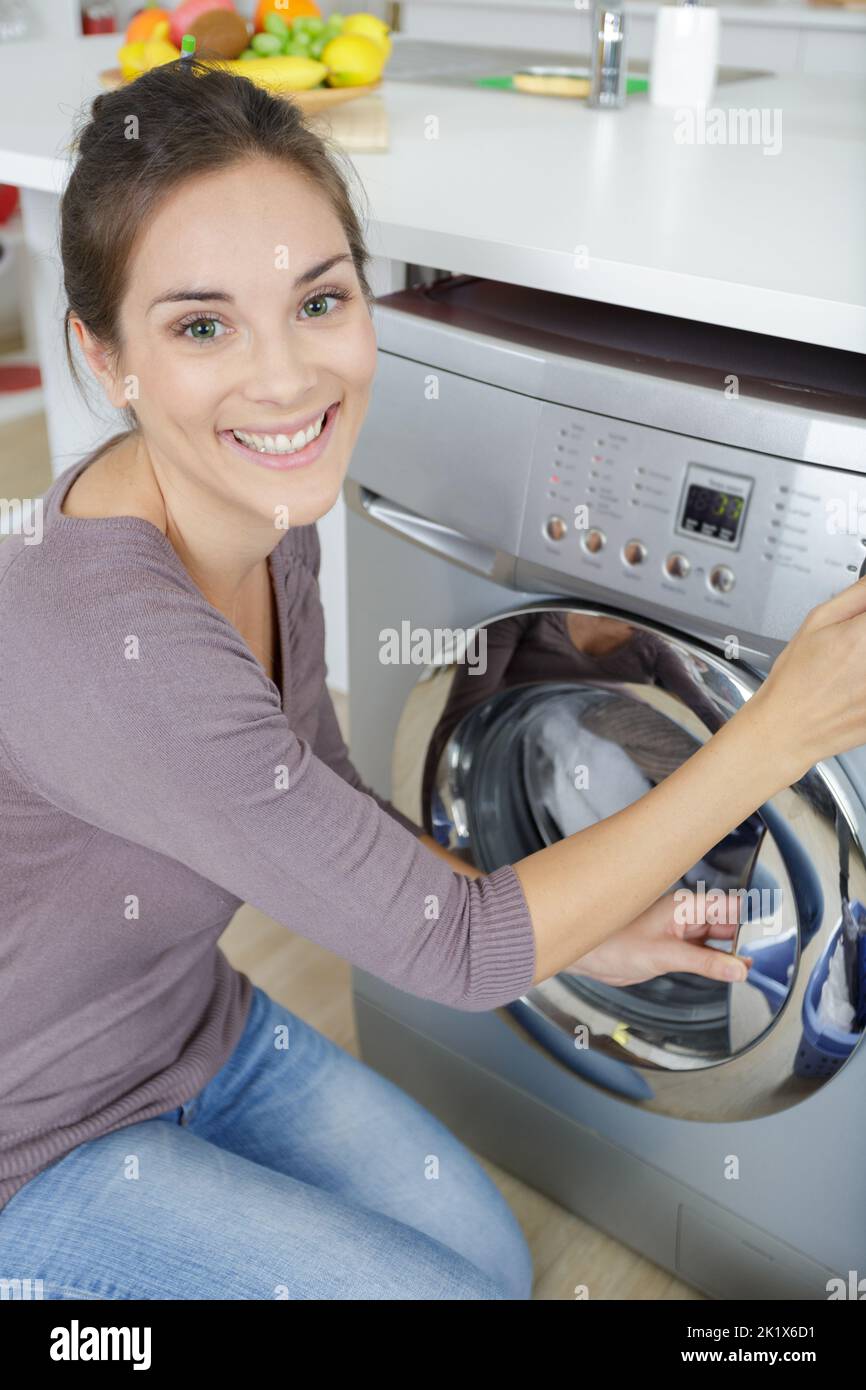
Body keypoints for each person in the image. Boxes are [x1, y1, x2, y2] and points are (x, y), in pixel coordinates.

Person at [1, 59, 865, 1302]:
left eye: (318, 300)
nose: (287, 380)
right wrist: (781, 725)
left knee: (486, 1262)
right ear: (103, 357)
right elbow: (458, 950)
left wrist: (592, 921)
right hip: (33, 1143)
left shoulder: (258, 504)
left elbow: (331, 805)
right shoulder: (108, 640)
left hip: (192, 1030)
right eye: (201, 325)